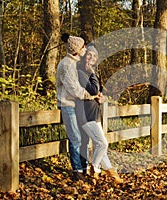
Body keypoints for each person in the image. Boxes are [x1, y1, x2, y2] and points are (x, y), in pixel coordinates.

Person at [75, 44, 123, 184]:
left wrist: (103, 98)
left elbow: (99, 92)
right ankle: (94, 169)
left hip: (94, 112)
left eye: (95, 56)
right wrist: (93, 78)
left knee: (99, 145)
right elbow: (93, 89)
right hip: (85, 113)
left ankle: (112, 174)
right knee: (102, 143)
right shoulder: (81, 72)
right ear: (84, 55)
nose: (92, 57)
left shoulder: (91, 72)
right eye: (89, 54)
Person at [56, 33, 97, 181]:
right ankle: (77, 171)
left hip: (77, 105)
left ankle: (84, 167)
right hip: (68, 105)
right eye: (82, 46)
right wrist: (89, 96)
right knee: (76, 138)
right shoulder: (67, 64)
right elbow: (73, 88)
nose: (85, 48)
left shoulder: (76, 63)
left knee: (84, 138)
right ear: (77, 49)